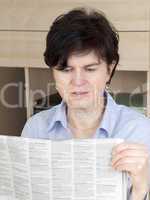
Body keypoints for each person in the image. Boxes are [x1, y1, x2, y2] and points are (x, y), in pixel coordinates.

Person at [21, 7, 150, 200]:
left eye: (90, 69)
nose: (77, 81)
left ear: (109, 69)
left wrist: (141, 190)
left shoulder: (139, 131)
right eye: (65, 69)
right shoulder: (35, 129)